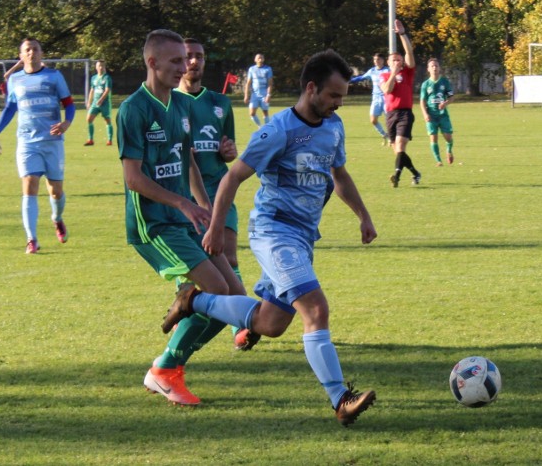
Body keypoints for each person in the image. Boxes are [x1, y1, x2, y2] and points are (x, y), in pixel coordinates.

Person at [161, 48, 378, 426]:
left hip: (303, 237)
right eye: (333, 96)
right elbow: (232, 178)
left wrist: (363, 215)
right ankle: (340, 398)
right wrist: (214, 227)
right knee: (315, 309)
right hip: (274, 231)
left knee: (271, 323)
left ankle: (194, 301)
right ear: (311, 89)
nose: (338, 104)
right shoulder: (278, 130)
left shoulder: (333, 128)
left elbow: (339, 176)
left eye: (342, 97)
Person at [117, 29, 246, 406]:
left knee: (236, 304)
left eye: (187, 59)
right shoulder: (133, 109)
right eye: (176, 61)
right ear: (152, 62)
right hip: (153, 226)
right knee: (218, 291)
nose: (185, 66)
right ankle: (166, 369)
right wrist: (182, 204)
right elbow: (132, 178)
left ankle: (170, 351)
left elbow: (187, 159)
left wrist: (206, 211)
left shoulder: (182, 105)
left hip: (186, 218)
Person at [174, 37, 260, 351]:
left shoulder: (220, 103)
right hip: (185, 197)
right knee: (202, 268)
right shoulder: (169, 101)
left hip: (219, 190)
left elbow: (228, 149)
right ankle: (193, 316)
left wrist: (228, 151)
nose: (193, 62)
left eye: (198, 56)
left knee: (229, 256)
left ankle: (241, 325)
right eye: (187, 57)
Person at [0, 38, 75, 254]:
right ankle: (32, 239)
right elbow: (10, 108)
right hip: (27, 142)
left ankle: (57, 218)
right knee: (29, 186)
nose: (31, 53)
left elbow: (69, 104)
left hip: (52, 141)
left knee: (55, 191)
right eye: (27, 50)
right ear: (21, 55)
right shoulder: (15, 80)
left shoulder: (54, 76)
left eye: (35, 49)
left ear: (41, 53)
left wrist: (66, 123)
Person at [380, 20, 422, 187]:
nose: (397, 62)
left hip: (405, 113)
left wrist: (403, 34)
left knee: (400, 145)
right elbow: (387, 90)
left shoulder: (408, 72)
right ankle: (415, 173)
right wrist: (393, 73)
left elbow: (409, 53)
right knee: (398, 150)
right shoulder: (384, 76)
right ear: (389, 63)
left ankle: (396, 176)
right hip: (390, 115)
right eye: (393, 60)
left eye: (399, 59)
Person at [420, 58, 455, 167]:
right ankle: (438, 161)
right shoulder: (425, 84)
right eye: (432, 66)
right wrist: (425, 114)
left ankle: (449, 150)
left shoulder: (444, 82)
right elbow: (422, 101)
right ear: (428, 69)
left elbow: (452, 97)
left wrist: (445, 103)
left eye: (436, 66)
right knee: (433, 137)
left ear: (439, 68)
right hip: (431, 115)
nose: (434, 67)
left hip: (442, 115)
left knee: (448, 137)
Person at [349, 52, 390, 144]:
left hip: (386, 98)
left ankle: (392, 137)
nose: (376, 61)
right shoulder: (372, 71)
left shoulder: (388, 70)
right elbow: (360, 78)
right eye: (375, 59)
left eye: (378, 59)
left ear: (383, 60)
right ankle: (384, 134)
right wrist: (349, 80)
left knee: (389, 120)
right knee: (373, 120)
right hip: (376, 98)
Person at [85, 60, 114, 146]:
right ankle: (90, 139)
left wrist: (101, 99)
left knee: (107, 120)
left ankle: (109, 140)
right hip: (95, 103)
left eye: (102, 66)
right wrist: (89, 102)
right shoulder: (93, 78)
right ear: (96, 67)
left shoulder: (107, 78)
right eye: (99, 66)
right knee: (89, 119)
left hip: (105, 103)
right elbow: (92, 90)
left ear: (104, 67)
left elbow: (107, 90)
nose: (101, 67)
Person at [244, 53, 273, 126]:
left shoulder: (268, 69)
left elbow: (270, 83)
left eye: (261, 57)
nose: (260, 59)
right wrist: (246, 95)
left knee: (265, 112)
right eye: (258, 58)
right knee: (252, 113)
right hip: (254, 95)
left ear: (263, 59)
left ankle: (267, 128)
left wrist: (268, 95)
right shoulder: (252, 69)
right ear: (255, 60)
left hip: (264, 94)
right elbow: (248, 83)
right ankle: (260, 126)